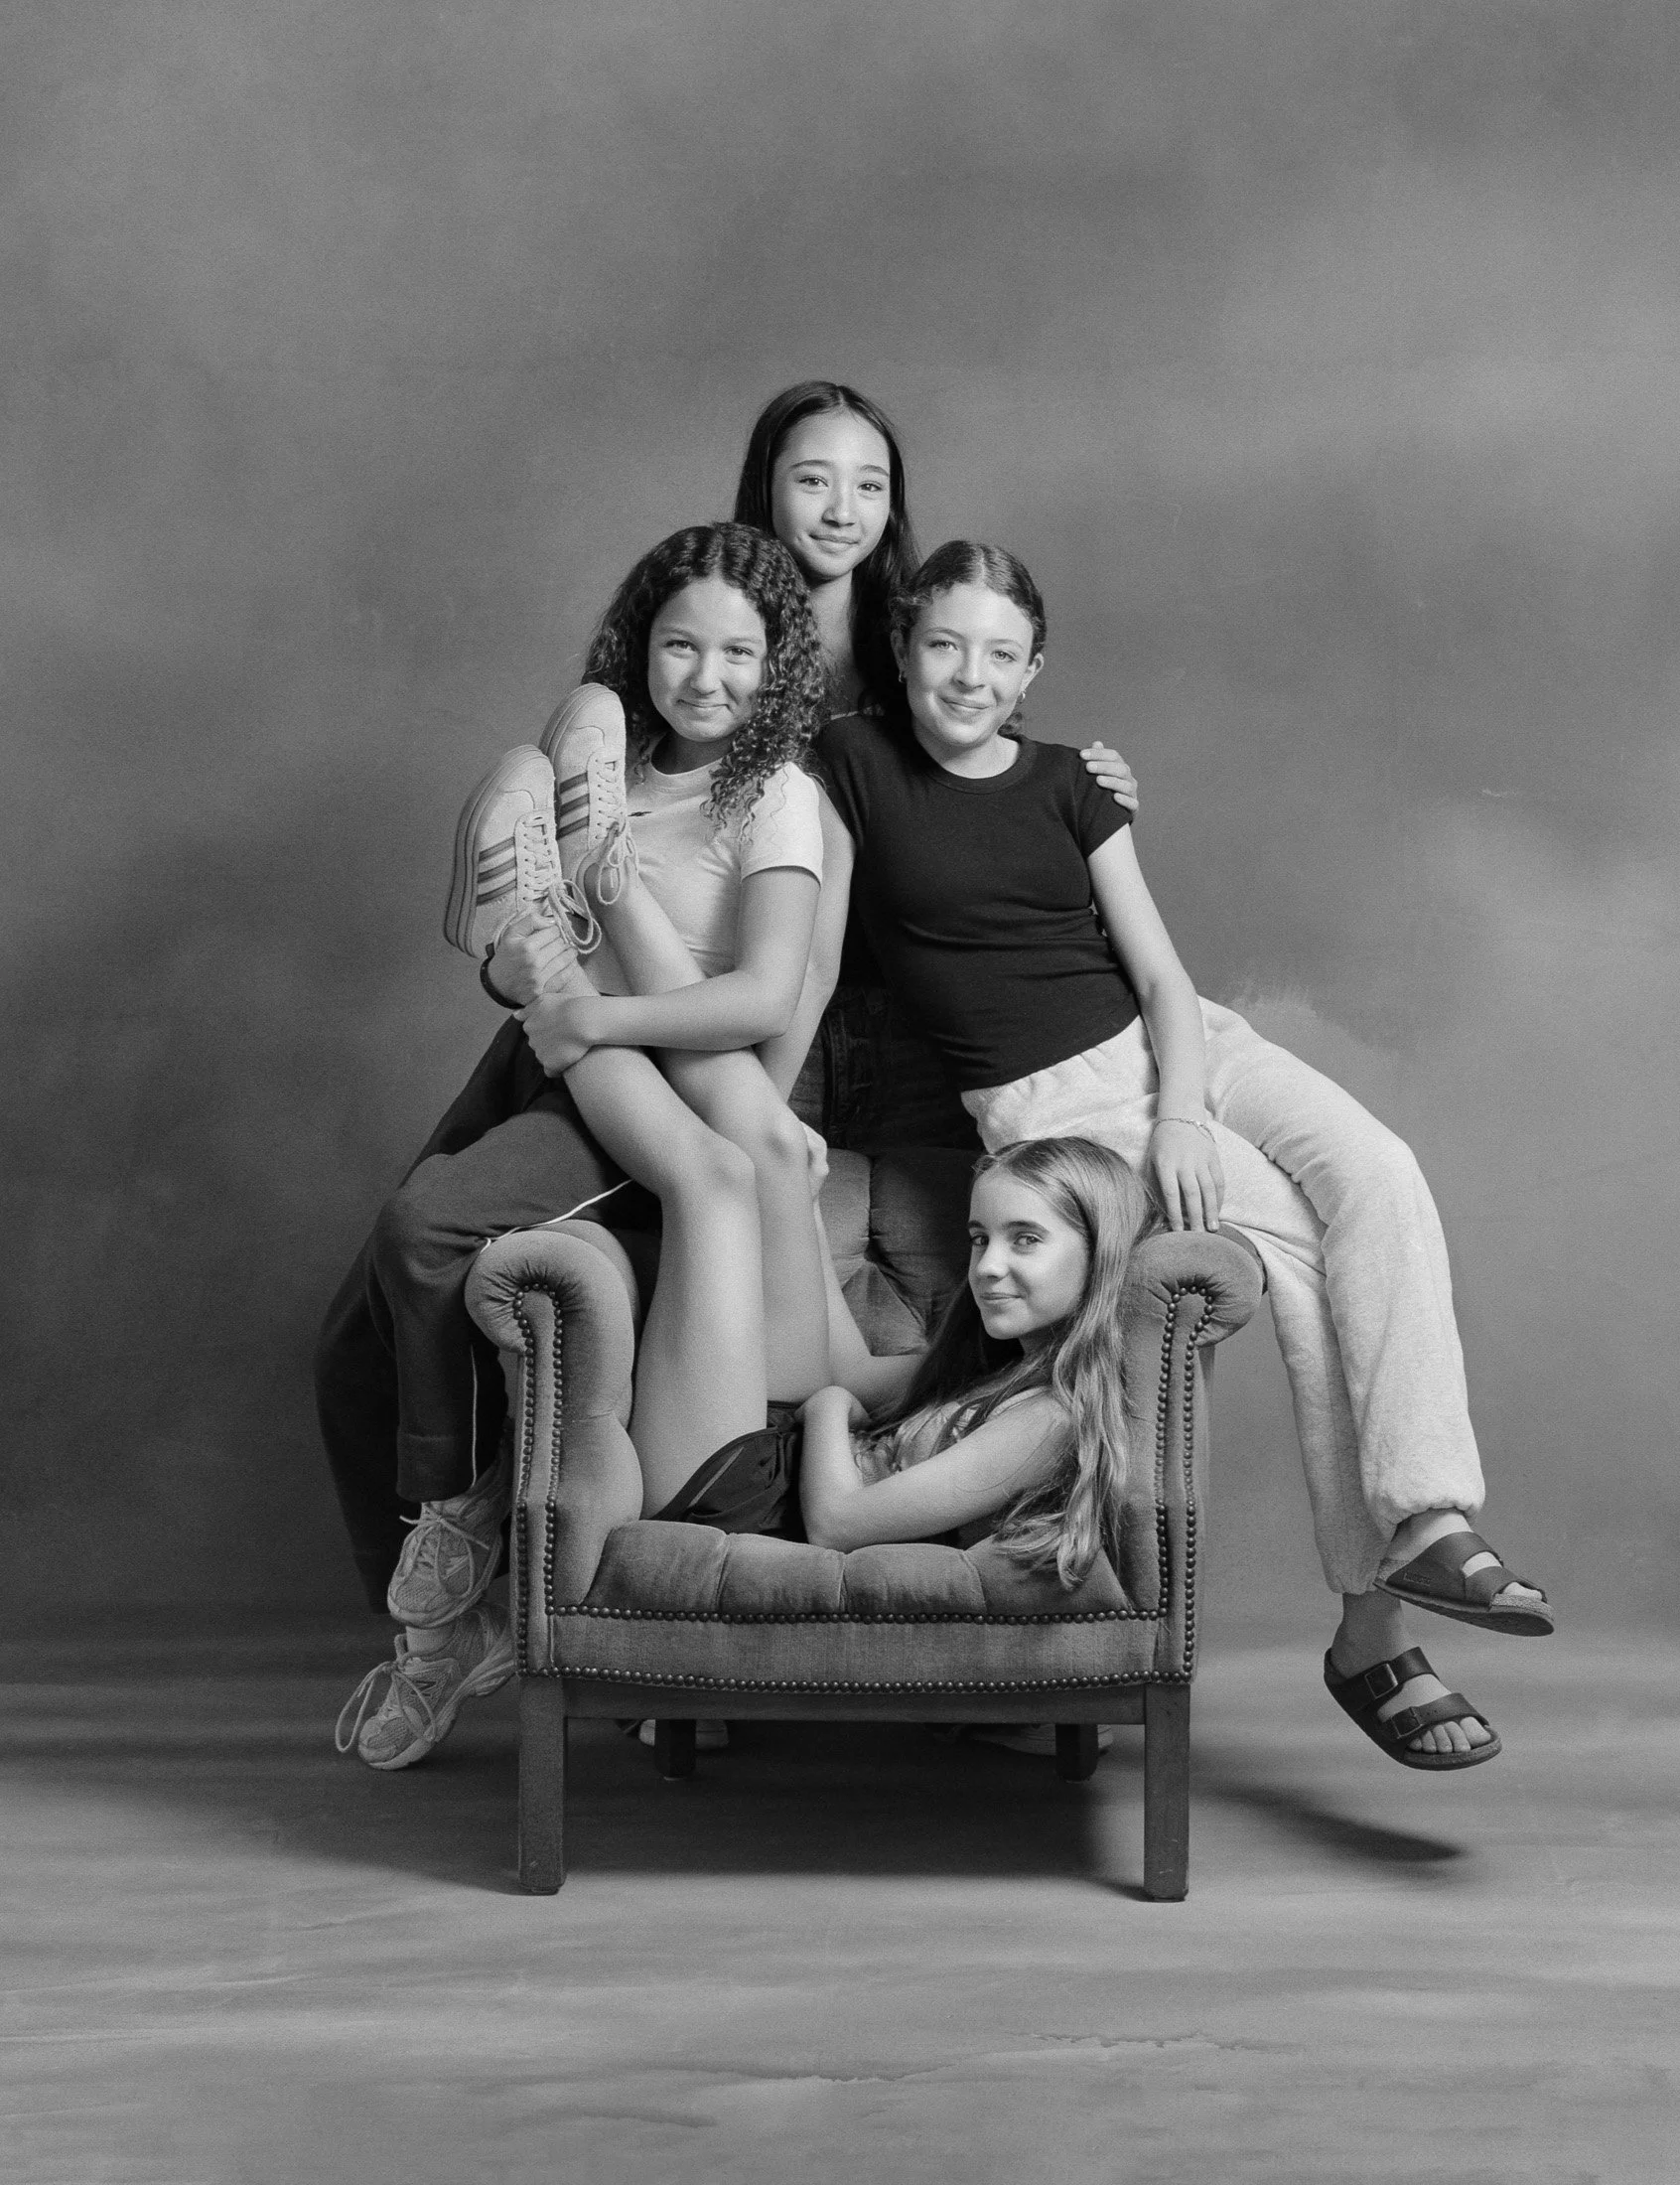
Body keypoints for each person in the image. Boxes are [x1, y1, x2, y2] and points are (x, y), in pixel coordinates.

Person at [312, 382, 1138, 1615]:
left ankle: (457, 1556)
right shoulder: (684, 646)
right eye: (812, 478)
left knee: (565, 1207)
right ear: (763, 489)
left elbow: (879, 871)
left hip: (748, 1035)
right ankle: (441, 1575)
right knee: (364, 1321)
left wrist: (1070, 778)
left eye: (870, 483)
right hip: (667, 1029)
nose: (843, 508)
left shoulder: (891, 690)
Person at [806, 538, 1554, 1771]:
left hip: (1183, 1047)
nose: (968, 676)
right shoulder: (853, 766)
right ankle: (1375, 1619)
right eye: (943, 645)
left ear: (1033, 665)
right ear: (902, 649)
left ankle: (1424, 1520)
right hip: (1059, 1102)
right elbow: (806, 939)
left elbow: (1157, 972)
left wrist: (1182, 1111)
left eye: (1000, 654)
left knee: (1379, 1169)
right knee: (1297, 1261)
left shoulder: (1070, 783)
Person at [338, 520, 837, 1766]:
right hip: (539, 1050)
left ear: (774, 662)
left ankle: (458, 1524)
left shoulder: (773, 795)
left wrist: (583, 1006)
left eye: (735, 651)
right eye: (679, 644)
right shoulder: (611, 759)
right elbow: (526, 980)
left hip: (642, 1076)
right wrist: (518, 965)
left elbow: (762, 996)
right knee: (351, 1342)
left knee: (425, 1229)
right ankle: (435, 1638)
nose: (705, 676)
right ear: (639, 643)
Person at [339, 1133, 1162, 1768]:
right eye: (980, 1238)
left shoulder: (1048, 1417)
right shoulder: (997, 1370)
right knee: (742, 1168)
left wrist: (835, 1409)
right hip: (774, 1463)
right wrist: (804, 1212)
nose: (988, 1267)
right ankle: (598, 1018)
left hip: (757, 1500)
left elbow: (841, 1522)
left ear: (1098, 1256)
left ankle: (573, 1002)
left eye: (1026, 1240)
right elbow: (840, 1370)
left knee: (706, 1182)